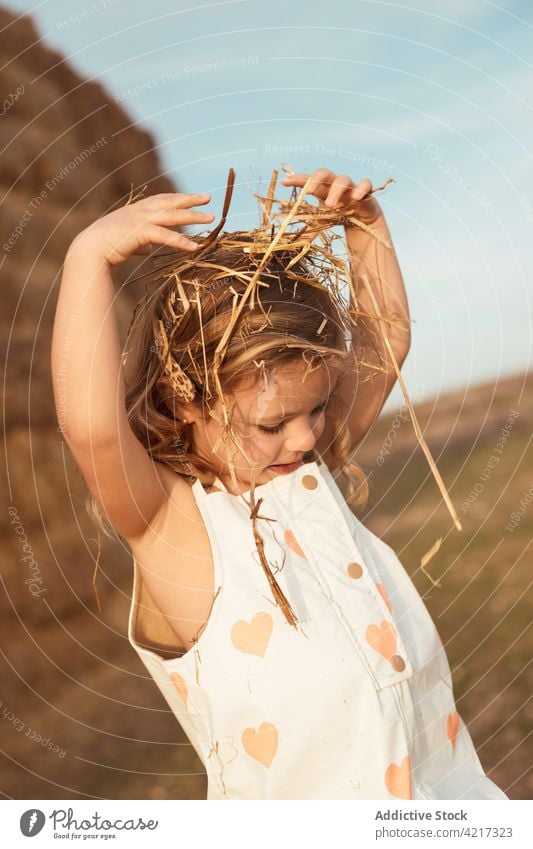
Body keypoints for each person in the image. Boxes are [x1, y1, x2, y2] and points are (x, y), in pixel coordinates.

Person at [51, 166, 507, 800]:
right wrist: (87, 257)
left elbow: (385, 338)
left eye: (317, 409)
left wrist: (365, 226)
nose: (307, 438)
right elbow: (94, 432)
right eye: (272, 422)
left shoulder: (303, 475)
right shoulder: (174, 527)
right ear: (189, 400)